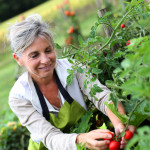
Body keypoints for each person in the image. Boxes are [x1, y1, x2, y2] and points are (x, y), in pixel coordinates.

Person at [7, 14, 135, 150]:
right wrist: (81, 139)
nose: (45, 60)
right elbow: (50, 137)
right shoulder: (19, 97)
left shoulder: (72, 68)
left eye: (48, 50)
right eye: (34, 55)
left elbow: (102, 96)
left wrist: (120, 123)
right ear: (18, 59)